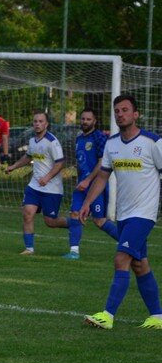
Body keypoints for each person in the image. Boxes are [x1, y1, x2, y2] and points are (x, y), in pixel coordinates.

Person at [81, 94, 162, 330]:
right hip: (124, 214)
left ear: (136, 114)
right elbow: (102, 176)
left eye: (125, 110)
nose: (120, 114)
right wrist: (87, 202)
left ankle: (107, 315)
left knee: (121, 258)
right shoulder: (112, 144)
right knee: (140, 265)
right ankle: (157, 316)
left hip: (144, 214)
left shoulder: (152, 142)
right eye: (117, 111)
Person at [5, 111, 67, 255]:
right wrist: (14, 166)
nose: (37, 124)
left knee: (50, 222)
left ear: (46, 124)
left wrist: (47, 177)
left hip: (51, 188)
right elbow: (28, 157)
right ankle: (29, 249)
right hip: (34, 186)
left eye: (40, 121)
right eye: (35, 121)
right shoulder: (33, 141)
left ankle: (74, 224)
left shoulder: (52, 142)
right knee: (27, 213)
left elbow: (60, 163)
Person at [64, 107, 118, 259]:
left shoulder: (99, 137)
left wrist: (88, 180)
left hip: (96, 186)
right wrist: (80, 179)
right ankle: (74, 252)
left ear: (95, 121)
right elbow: (81, 162)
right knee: (75, 214)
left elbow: (102, 162)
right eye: (83, 119)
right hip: (82, 185)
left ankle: (129, 244)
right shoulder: (79, 138)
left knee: (99, 220)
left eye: (88, 119)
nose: (85, 122)